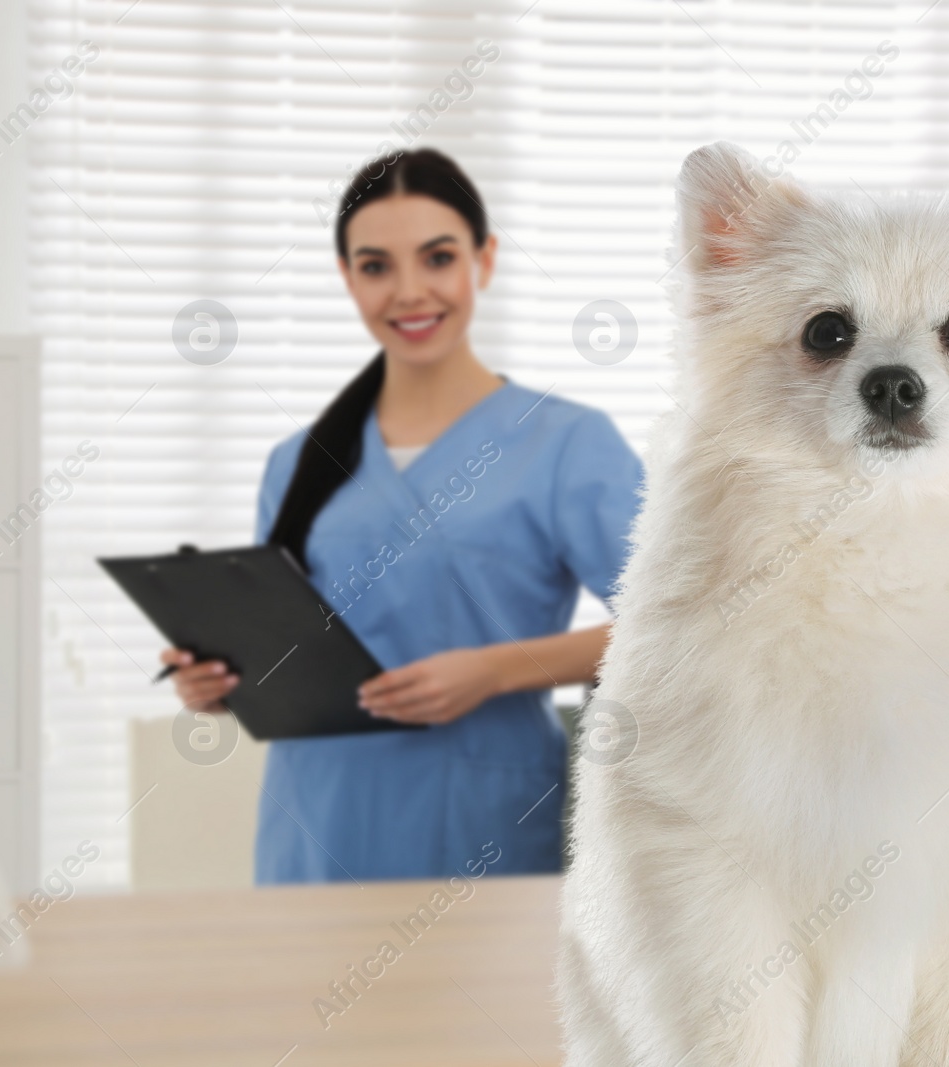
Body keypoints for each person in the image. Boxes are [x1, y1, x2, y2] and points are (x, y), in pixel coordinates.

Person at [161, 148, 643, 884]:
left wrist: (494, 670)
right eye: (377, 265)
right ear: (348, 278)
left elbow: (683, 625)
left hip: (484, 818)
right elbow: (278, 648)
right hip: (313, 823)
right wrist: (217, 686)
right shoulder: (298, 461)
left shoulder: (568, 443)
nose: (410, 291)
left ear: (484, 260)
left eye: (438, 257)